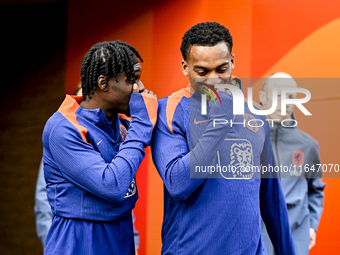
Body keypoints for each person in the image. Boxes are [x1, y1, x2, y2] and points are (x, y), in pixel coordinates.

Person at [151, 21, 296, 255]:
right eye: (202, 71)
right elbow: (178, 184)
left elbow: (271, 198)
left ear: (232, 62)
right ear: (185, 67)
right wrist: (220, 119)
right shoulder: (168, 111)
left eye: (221, 69)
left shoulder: (256, 115)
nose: (213, 80)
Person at [42, 40, 157, 255]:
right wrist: (141, 127)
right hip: (80, 240)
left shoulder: (122, 124)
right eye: (132, 79)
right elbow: (111, 186)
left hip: (121, 235)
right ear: (103, 83)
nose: (140, 88)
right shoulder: (62, 128)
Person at [34, 85, 141, 253]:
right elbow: (44, 199)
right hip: (75, 239)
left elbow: (124, 193)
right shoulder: (64, 135)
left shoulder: (118, 129)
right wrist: (52, 240)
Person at [259, 72, 325, 255]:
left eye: (290, 97)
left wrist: (312, 225)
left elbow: (315, 189)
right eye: (279, 95)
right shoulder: (249, 142)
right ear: (263, 97)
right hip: (259, 239)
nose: (285, 102)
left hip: (296, 238)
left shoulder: (308, 145)